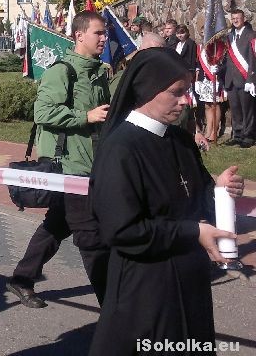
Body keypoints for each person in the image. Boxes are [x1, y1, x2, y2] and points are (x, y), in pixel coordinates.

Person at [88, 47, 243, 355]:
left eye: (187, 91)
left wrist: (219, 191)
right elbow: (122, 231)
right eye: (177, 93)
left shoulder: (180, 140)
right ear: (147, 90)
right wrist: (192, 232)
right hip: (146, 288)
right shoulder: (121, 150)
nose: (186, 101)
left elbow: (194, 199)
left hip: (191, 281)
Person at [6, 11, 111, 308]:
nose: (104, 38)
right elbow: (42, 113)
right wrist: (85, 116)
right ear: (79, 35)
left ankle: (21, 278)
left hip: (90, 163)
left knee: (57, 225)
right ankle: (114, 307)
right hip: (68, 166)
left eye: (104, 33)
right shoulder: (62, 71)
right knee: (90, 236)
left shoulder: (98, 72)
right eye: (98, 33)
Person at [221, 9, 256, 148]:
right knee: (235, 109)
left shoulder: (252, 35)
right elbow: (226, 58)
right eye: (233, 18)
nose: (235, 20)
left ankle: (249, 135)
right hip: (231, 78)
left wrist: (252, 79)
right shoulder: (229, 36)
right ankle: (238, 134)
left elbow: (253, 59)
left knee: (248, 109)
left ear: (244, 19)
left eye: (238, 18)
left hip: (245, 78)